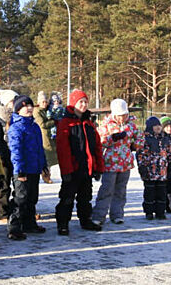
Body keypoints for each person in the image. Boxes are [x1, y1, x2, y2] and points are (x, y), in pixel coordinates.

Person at [55, 90, 104, 235]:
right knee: (67, 198)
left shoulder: (89, 123)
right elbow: (62, 149)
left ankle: (85, 220)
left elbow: (97, 146)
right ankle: (63, 223)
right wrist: (66, 171)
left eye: (85, 102)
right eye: (80, 102)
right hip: (72, 168)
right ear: (73, 104)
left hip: (87, 168)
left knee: (85, 197)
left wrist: (98, 167)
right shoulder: (65, 123)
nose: (83, 105)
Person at [91, 99, 144, 225]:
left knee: (120, 191)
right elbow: (100, 142)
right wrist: (112, 138)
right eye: (120, 115)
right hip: (110, 163)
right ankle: (99, 215)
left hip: (125, 163)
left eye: (124, 115)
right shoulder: (106, 124)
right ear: (114, 114)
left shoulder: (131, 125)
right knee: (107, 190)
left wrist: (135, 145)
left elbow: (140, 139)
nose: (122, 118)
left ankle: (117, 214)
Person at [6, 95, 47, 240]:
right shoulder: (16, 128)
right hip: (22, 170)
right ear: (18, 110)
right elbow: (16, 150)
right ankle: (14, 227)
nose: (29, 108)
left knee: (32, 198)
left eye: (30, 105)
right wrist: (19, 170)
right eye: (25, 106)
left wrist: (43, 165)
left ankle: (29, 223)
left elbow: (39, 149)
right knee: (20, 198)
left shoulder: (34, 126)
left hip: (34, 168)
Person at [0, 87, 18, 222]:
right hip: (4, 156)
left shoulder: (17, 116)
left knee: (17, 184)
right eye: (12, 101)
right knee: (4, 185)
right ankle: (3, 212)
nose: (14, 103)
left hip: (15, 155)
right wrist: (1, 157)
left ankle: (16, 209)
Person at [137, 116, 171, 220]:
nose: (158, 127)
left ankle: (160, 212)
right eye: (155, 126)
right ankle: (149, 212)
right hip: (150, 172)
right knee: (149, 193)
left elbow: (170, 153)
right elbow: (140, 154)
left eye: (159, 125)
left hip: (162, 172)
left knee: (162, 193)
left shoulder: (165, 139)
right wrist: (142, 167)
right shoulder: (145, 139)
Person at [33, 91, 56, 184]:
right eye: (43, 102)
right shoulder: (37, 111)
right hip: (43, 137)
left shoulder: (47, 111)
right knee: (45, 158)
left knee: (48, 158)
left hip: (48, 136)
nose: (45, 104)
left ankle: (47, 174)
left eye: (46, 102)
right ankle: (45, 175)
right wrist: (54, 121)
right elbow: (42, 124)